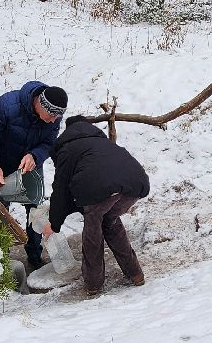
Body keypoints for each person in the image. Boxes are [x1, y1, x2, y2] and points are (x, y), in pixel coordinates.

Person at [39, 117, 150, 297]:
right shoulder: (101, 143)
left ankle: (93, 285)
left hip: (99, 190)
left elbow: (60, 188)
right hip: (135, 185)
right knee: (110, 222)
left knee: (93, 231)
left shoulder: (68, 148)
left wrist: (54, 223)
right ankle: (135, 274)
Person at [0, 81, 67, 271]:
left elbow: (48, 143)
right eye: (52, 115)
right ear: (41, 104)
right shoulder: (8, 105)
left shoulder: (53, 117)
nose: (55, 121)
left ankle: (35, 255)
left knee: (37, 211)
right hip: (1, 166)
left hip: (29, 167)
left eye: (58, 117)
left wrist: (35, 155)